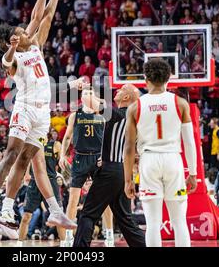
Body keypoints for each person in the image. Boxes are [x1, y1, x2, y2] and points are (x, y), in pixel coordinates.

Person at [0, 0, 77, 231]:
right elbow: (7, 63)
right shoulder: (12, 58)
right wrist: (11, 47)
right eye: (20, 32)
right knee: (12, 154)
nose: (26, 30)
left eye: (24, 31)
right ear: (12, 40)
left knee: (25, 161)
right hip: (23, 108)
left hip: (42, 114)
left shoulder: (34, 46)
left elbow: (40, 17)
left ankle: (7, 208)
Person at [123, 59, 198, 247]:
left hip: (148, 161)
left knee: (153, 224)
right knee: (179, 221)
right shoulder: (180, 103)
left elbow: (129, 147)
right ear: (169, 78)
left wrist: (128, 180)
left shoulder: (135, 107)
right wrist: (193, 174)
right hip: (173, 159)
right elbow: (189, 142)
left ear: (145, 79)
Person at [73, 84, 146, 248]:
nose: (117, 91)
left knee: (88, 215)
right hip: (121, 171)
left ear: (127, 97)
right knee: (125, 220)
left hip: (110, 171)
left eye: (121, 90)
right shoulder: (130, 116)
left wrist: (85, 88)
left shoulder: (119, 114)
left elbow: (88, 100)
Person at [59, 88, 107, 247]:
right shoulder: (75, 115)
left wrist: (104, 157)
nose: (87, 94)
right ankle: (68, 235)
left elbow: (107, 141)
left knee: (105, 198)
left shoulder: (103, 116)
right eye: (85, 93)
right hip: (80, 157)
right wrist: (62, 156)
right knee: (73, 198)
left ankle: (109, 235)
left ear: (96, 97)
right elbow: (67, 137)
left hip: (97, 159)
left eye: (91, 93)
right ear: (81, 97)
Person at [17, 134, 64, 245]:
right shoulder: (34, 142)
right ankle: (19, 244)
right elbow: (28, 159)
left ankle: (65, 243)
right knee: (26, 216)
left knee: (58, 215)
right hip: (34, 182)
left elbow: (60, 162)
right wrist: (27, 174)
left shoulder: (55, 144)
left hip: (51, 181)